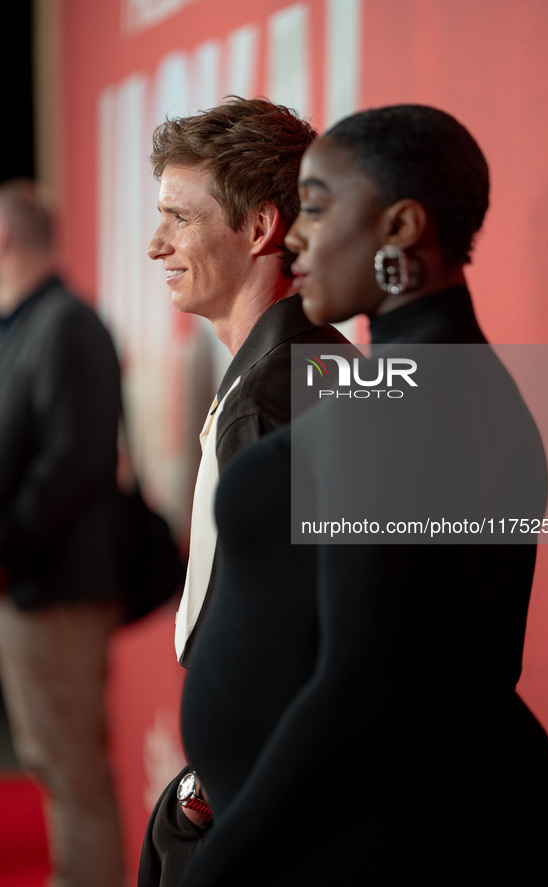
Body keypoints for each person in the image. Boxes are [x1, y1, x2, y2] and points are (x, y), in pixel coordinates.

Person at [177, 106, 548, 885]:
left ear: (400, 227)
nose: (294, 237)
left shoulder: (407, 405)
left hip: (389, 831)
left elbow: (362, 680)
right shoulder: (449, 388)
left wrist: (222, 858)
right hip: (401, 814)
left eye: (317, 207)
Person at [138, 97, 351, 887]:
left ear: (259, 229)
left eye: (176, 219)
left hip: (262, 802)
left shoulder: (269, 397)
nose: (154, 244)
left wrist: (205, 795)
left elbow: (294, 647)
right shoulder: (311, 361)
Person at [0, 179, 126, 886]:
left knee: (72, 771)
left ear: (5, 238)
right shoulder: (26, 323)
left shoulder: (67, 323)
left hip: (57, 585)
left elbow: (74, 459)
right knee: (52, 763)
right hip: (31, 581)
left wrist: (5, 550)